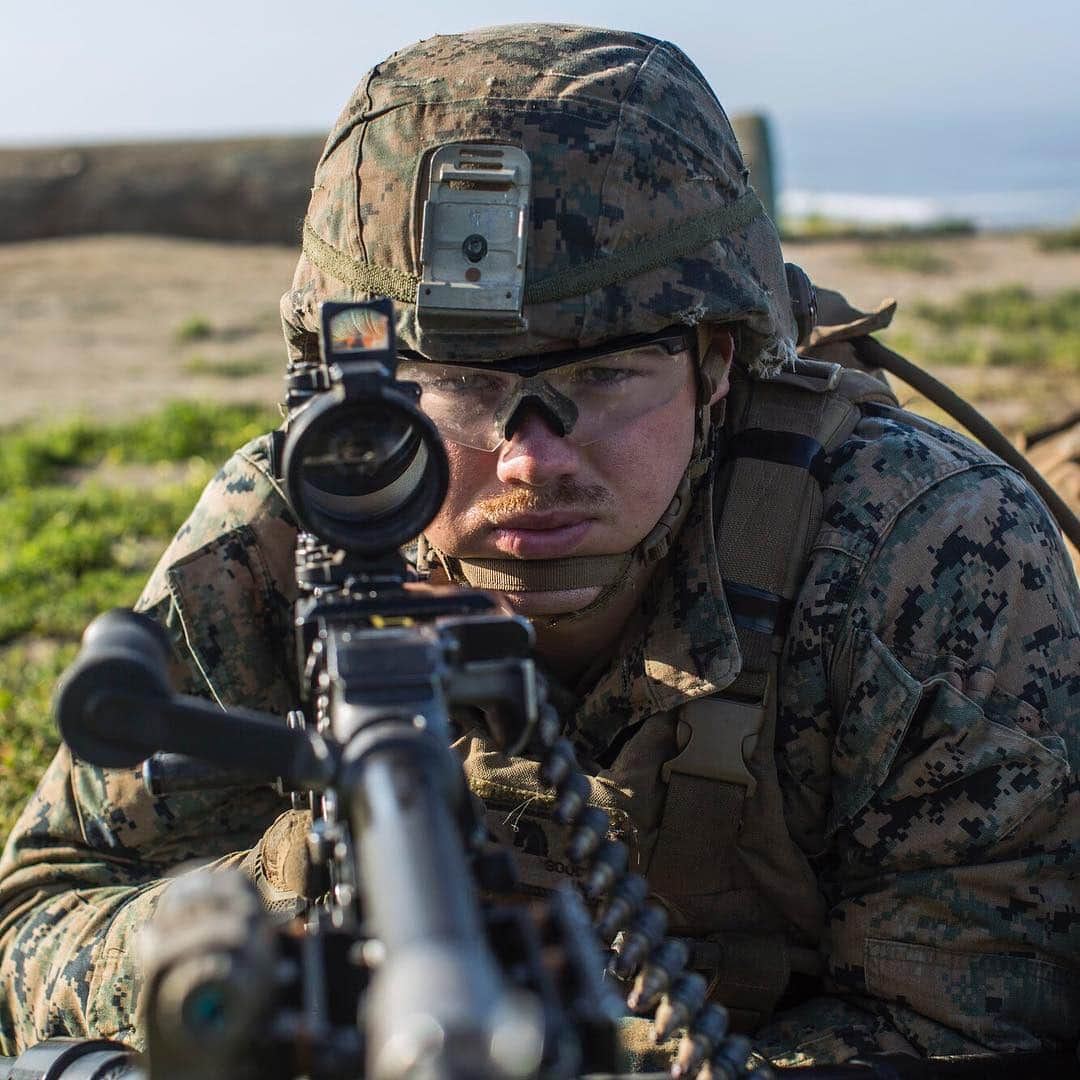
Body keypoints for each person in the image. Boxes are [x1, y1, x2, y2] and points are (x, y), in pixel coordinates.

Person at [1, 24, 1077, 1071]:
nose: (531, 461)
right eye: (465, 387)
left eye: (603, 378)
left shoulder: (925, 554)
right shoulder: (293, 531)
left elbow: (983, 1020)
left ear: (715, 366)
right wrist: (270, 925)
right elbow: (33, 924)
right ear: (349, 386)